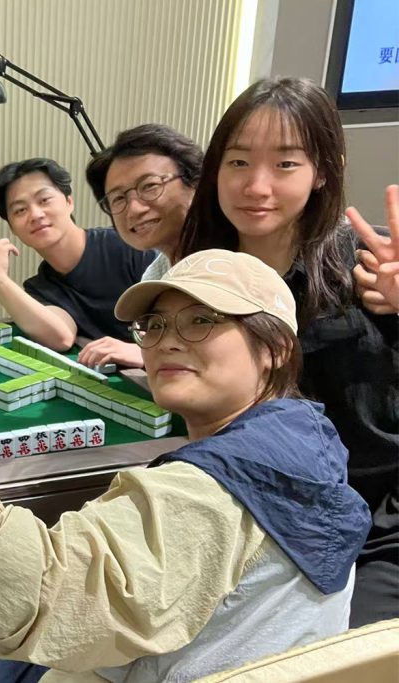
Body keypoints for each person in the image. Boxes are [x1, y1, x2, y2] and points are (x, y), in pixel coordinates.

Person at [0, 250, 370, 683]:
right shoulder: (307, 437)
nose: (167, 341)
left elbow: (31, 594)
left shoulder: (210, 490)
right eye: (155, 324)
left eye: (202, 320)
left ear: (275, 349)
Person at [176, 76, 399, 627]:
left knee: (340, 656)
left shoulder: (371, 262)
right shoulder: (203, 272)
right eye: (238, 162)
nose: (257, 186)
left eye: (285, 164)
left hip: (379, 520)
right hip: (262, 509)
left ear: (323, 171)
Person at [0, 158, 154, 352]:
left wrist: (141, 353)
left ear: (69, 201)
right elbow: (61, 338)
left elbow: (175, 311)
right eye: (20, 210)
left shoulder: (129, 246)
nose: (36, 214)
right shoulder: (40, 288)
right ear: (12, 228)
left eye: (44, 200)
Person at [76, 124, 203, 369]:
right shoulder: (154, 276)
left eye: (150, 186)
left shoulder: (233, 262)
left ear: (196, 183)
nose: (134, 209)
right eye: (118, 199)